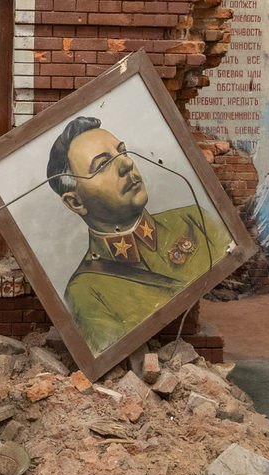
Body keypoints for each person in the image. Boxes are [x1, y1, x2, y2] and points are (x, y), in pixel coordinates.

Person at [46, 117, 228, 355]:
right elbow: (108, 352)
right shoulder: (86, 291)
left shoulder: (195, 220)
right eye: (103, 165)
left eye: (122, 152)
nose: (126, 164)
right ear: (75, 202)